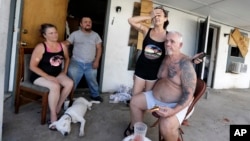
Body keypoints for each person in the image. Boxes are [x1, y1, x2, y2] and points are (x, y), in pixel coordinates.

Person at [124, 31, 197, 141]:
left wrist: (173, 111)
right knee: (134, 102)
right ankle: (137, 134)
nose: (168, 44)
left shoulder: (185, 65)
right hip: (155, 100)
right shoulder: (165, 57)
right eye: (166, 41)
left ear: (180, 45)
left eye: (172, 41)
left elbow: (189, 94)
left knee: (166, 125)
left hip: (174, 104)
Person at [128, 6, 202, 97]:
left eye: (159, 15)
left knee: (148, 99)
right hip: (140, 69)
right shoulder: (146, 31)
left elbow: (176, 53)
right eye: (154, 15)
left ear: (165, 18)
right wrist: (149, 16)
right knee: (135, 98)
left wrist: (191, 59)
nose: (156, 17)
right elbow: (131, 20)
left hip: (154, 73)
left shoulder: (168, 36)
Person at [29, 23, 74, 130]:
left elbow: (67, 58)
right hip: (39, 76)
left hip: (56, 74)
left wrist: (64, 70)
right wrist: (47, 76)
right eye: (51, 33)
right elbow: (32, 66)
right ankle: (53, 115)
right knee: (55, 86)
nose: (55, 35)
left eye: (55, 32)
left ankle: (58, 107)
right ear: (45, 35)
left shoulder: (62, 45)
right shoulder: (41, 47)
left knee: (70, 83)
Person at [63, 16, 103, 102]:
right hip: (76, 63)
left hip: (91, 63)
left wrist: (97, 61)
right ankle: (68, 98)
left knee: (93, 81)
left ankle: (95, 95)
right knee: (71, 82)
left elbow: (99, 48)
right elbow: (67, 43)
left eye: (89, 22)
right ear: (81, 24)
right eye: (85, 22)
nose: (88, 23)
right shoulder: (75, 34)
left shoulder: (95, 35)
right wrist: (53, 45)